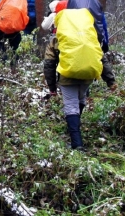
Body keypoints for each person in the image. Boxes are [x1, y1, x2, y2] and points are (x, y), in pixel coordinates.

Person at [44, 9, 118, 151]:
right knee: (81, 99)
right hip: (88, 76)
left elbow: (48, 65)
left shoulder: (56, 40)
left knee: (71, 106)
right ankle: (75, 126)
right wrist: (111, 82)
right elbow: (102, 59)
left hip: (67, 76)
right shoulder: (90, 38)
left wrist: (52, 87)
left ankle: (77, 143)